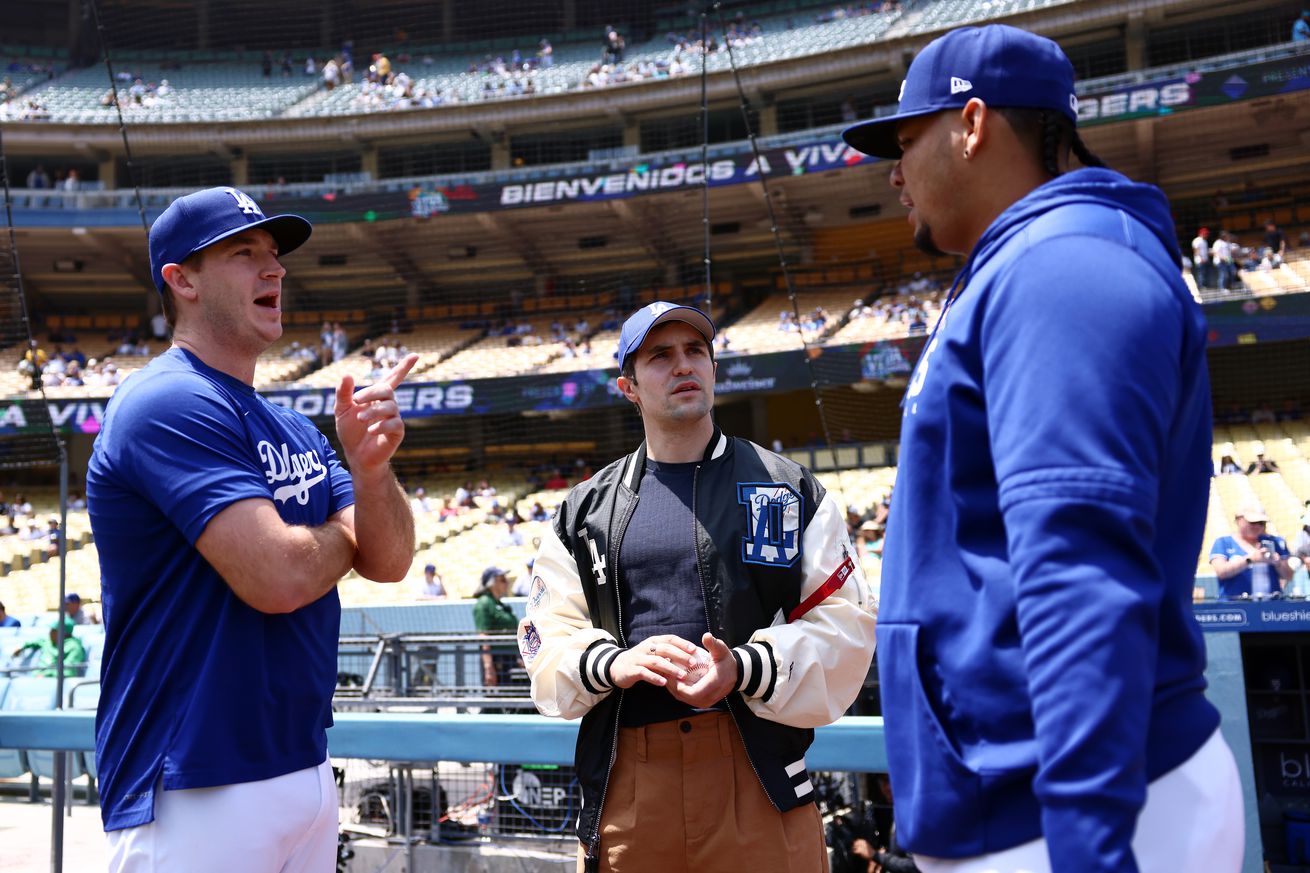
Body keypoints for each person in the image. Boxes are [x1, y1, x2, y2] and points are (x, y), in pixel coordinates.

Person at [841, 24, 1241, 873]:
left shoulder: (1064, 263)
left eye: (907, 140)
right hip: (1030, 802)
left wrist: (1089, 848)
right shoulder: (1028, 259)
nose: (894, 171)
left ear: (973, 125)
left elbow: (1079, 571)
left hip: (1080, 813)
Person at [86, 186, 417, 872]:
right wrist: (341, 539)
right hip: (192, 779)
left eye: (274, 254)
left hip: (302, 762)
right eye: (244, 253)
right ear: (182, 280)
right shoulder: (166, 400)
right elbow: (281, 577)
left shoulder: (292, 424)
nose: (275, 269)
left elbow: (388, 559)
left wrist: (373, 468)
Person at [519, 301, 877, 872]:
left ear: (713, 368)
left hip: (759, 777)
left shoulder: (787, 488)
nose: (684, 365)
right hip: (630, 782)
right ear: (629, 387)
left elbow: (847, 623)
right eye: (661, 356)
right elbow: (546, 634)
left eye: (696, 352)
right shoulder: (583, 509)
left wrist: (743, 667)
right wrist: (611, 664)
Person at [1210, 503, 1293, 599]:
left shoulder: (1276, 542)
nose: (1257, 526)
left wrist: (1278, 563)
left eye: (1261, 523)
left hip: (1271, 608)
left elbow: (1288, 576)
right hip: (1235, 609)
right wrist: (1250, 560)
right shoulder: (1223, 542)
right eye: (1252, 522)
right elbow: (1221, 572)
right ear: (1238, 520)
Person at [473, 566, 519, 700]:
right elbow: (483, 636)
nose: (507, 583)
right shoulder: (484, 603)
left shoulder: (501, 604)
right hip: (496, 661)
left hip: (509, 661)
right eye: (503, 580)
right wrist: (489, 667)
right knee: (496, 702)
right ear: (492, 583)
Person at [12, 616, 86, 678]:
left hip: (52, 683)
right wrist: (22, 647)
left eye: (54, 630)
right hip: (36, 679)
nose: (50, 633)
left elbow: (68, 671)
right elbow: (38, 642)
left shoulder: (74, 647)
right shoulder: (49, 641)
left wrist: (45, 675)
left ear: (64, 633)